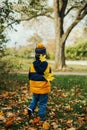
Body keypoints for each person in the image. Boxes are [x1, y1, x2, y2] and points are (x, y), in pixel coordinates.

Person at [28, 43, 54, 121]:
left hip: (35, 88)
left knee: (35, 99)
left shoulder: (32, 65)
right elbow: (49, 77)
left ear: (35, 54)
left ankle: (31, 108)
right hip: (44, 89)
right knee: (42, 103)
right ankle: (42, 118)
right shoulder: (48, 66)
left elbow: (29, 76)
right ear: (44, 55)